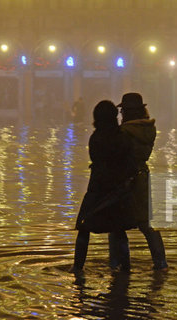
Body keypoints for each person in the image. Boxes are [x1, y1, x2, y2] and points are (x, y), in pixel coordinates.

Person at [71, 100, 137, 273]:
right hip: (119, 192)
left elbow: (97, 162)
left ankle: (78, 267)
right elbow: (130, 164)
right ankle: (126, 269)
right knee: (119, 229)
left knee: (84, 227)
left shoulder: (96, 138)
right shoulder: (123, 138)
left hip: (98, 191)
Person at [109, 92, 168, 271]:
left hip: (125, 179)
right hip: (142, 177)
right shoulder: (149, 129)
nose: (120, 115)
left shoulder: (124, 132)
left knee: (117, 225)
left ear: (127, 112)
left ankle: (119, 265)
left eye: (122, 112)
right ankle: (161, 263)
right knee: (146, 223)